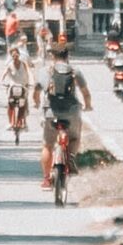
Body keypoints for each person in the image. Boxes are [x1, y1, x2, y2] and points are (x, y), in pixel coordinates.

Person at [39, 44, 90, 188]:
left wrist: (36, 101)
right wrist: (88, 105)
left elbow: (37, 91)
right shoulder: (75, 72)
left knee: (48, 145)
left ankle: (46, 179)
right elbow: (86, 93)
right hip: (71, 112)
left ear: (52, 56)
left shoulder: (46, 71)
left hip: (51, 112)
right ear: (68, 56)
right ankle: (71, 158)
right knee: (74, 137)